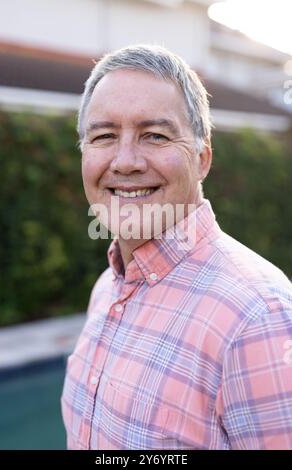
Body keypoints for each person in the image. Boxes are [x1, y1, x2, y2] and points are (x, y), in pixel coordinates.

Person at [61, 44, 292, 450]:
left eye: (154, 135)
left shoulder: (259, 317)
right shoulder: (106, 289)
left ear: (202, 159)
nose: (126, 161)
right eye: (104, 136)